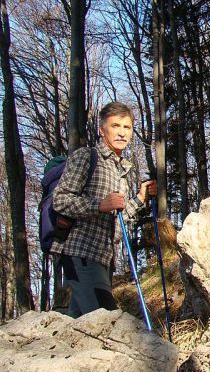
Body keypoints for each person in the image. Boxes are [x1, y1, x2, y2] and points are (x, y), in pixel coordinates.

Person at [51, 102, 156, 317]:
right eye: (115, 126)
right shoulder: (86, 157)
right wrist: (97, 205)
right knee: (106, 319)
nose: (121, 133)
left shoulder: (121, 169)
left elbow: (118, 219)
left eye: (127, 128)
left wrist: (139, 199)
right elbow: (60, 200)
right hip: (80, 253)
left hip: (104, 259)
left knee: (79, 324)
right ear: (102, 130)